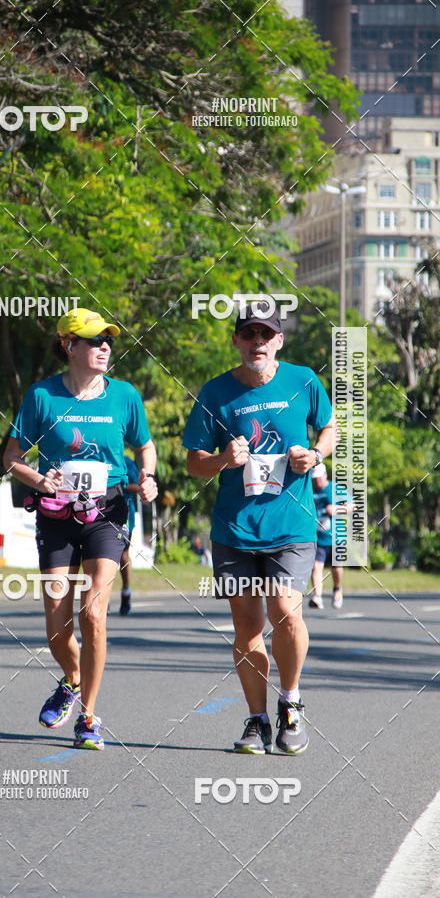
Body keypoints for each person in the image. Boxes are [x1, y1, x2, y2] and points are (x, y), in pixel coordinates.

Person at [183, 303, 334, 755]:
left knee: (286, 612)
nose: (257, 343)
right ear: (236, 341)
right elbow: (194, 463)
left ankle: (290, 702)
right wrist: (223, 461)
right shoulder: (215, 393)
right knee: (247, 626)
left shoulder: (303, 381)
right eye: (248, 335)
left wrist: (316, 455)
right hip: (235, 528)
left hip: (291, 524)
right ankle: (256, 720)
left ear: (279, 342)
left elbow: (328, 428)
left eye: (266, 335)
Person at [3, 308, 157, 750]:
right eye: (93, 340)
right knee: (56, 625)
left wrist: (146, 477)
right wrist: (38, 478)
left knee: (93, 614)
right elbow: (11, 455)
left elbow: (145, 448)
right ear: (69, 345)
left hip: (107, 514)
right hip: (56, 516)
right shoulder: (41, 397)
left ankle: (88, 717)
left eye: (107, 340)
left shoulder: (125, 396)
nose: (104, 347)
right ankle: (70, 679)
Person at [310, 463, 354, 610]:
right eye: (314, 479)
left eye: (319, 478)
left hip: (336, 537)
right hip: (317, 538)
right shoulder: (309, 489)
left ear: (325, 475)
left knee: (336, 568)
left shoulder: (335, 488)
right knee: (316, 567)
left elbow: (353, 506)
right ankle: (317, 596)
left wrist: (336, 509)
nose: (317, 482)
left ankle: (337, 589)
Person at [118, 455, 141, 616]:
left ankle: (126, 590)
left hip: (123, 514)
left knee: (123, 556)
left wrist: (119, 486)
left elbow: (138, 486)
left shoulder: (126, 462)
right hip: (95, 513)